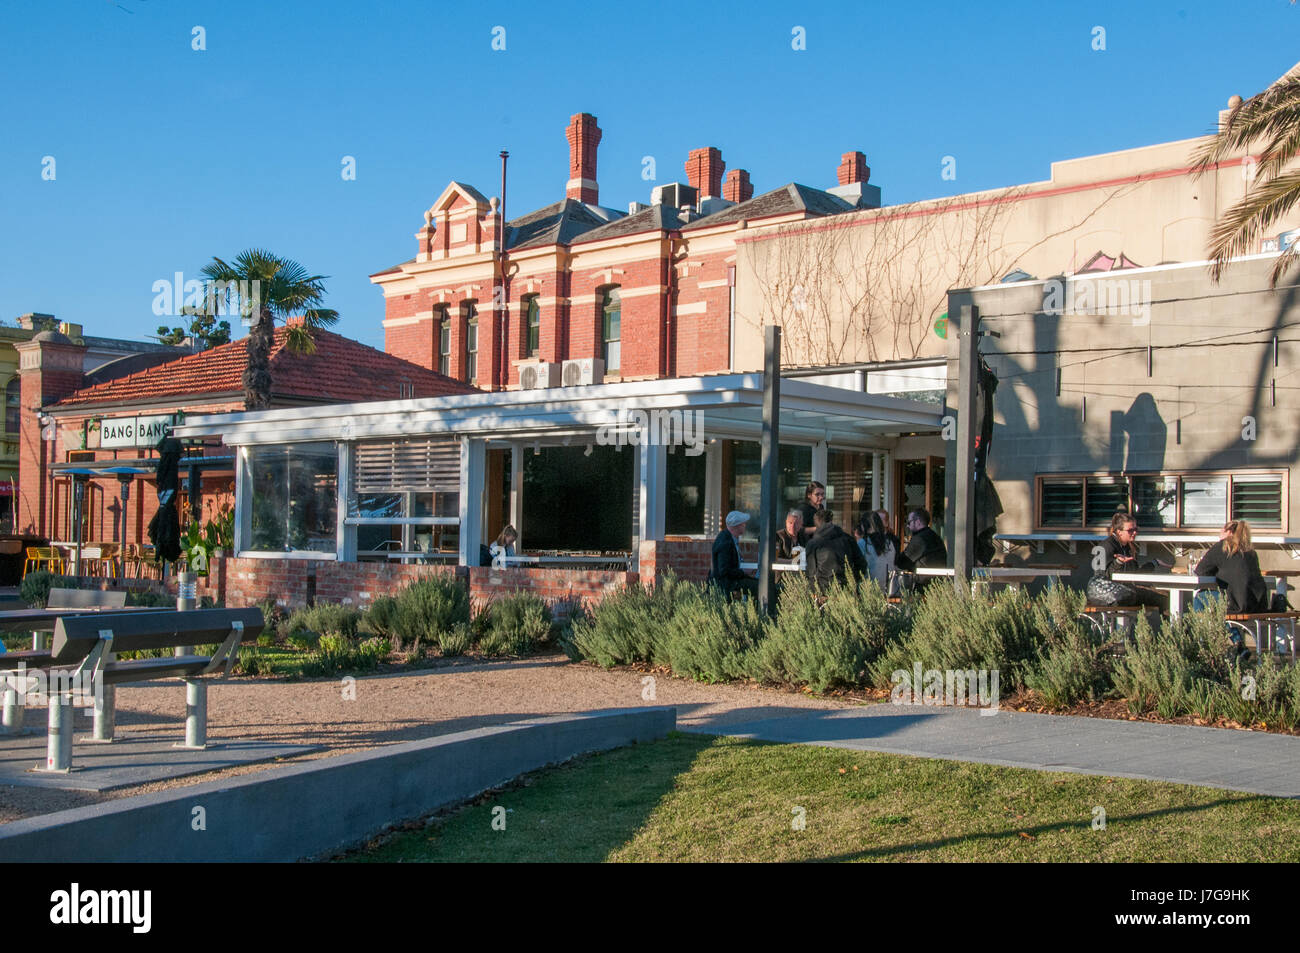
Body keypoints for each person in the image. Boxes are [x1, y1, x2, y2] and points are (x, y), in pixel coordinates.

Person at [1085, 512, 1167, 611]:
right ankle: (1172, 626)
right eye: (1130, 530)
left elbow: (1135, 575)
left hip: (1124, 591)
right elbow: (1101, 576)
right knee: (1163, 599)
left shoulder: (1128, 547)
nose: (1135, 532)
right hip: (1111, 594)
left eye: (1136, 529)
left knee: (1164, 595)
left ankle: (1171, 625)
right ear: (1119, 532)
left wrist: (1154, 563)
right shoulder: (1105, 547)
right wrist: (1118, 562)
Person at [1193, 520, 1269, 614]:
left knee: (1200, 596)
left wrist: (1216, 572)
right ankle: (1228, 627)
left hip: (1235, 602)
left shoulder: (1222, 546)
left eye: (1221, 531)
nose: (1219, 535)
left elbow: (1200, 571)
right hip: (1257, 604)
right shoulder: (1250, 551)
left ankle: (1212, 628)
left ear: (1228, 532)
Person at [805, 508, 868, 592]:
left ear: (816, 524)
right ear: (831, 521)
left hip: (823, 590)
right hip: (846, 588)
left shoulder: (813, 543)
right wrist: (852, 580)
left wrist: (815, 592)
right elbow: (862, 564)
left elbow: (811, 572)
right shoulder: (848, 539)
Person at [709, 510, 759, 599]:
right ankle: (762, 611)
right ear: (737, 526)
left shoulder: (728, 538)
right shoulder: (726, 542)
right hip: (725, 584)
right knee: (761, 587)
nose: (745, 526)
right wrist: (743, 572)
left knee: (760, 583)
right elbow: (724, 571)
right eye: (743, 524)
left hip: (729, 581)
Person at [895, 507, 948, 590]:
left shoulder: (920, 539)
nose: (908, 526)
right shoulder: (934, 536)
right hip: (937, 585)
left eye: (909, 522)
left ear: (918, 522)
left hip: (923, 586)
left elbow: (902, 562)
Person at [856, 511, 897, 592]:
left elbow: (858, 567)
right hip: (888, 588)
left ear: (865, 526)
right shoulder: (889, 543)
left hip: (868, 589)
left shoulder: (863, 543)